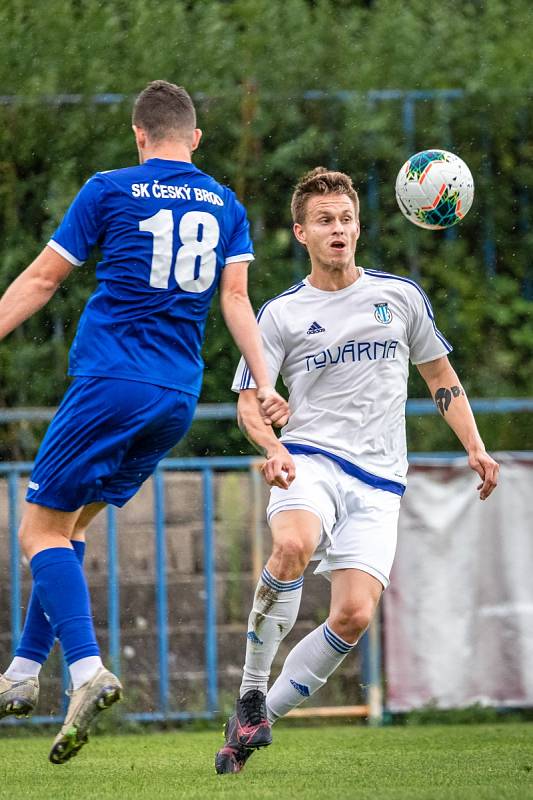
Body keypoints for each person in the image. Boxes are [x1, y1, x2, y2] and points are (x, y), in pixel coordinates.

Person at [0, 80, 289, 764]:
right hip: (174, 398)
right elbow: (238, 301)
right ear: (194, 138)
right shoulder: (225, 204)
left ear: (138, 134)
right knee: (67, 530)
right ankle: (20, 673)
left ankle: (83, 670)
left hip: (110, 382)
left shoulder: (109, 188)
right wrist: (265, 381)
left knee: (36, 528)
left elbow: (43, 280)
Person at [215, 166, 499, 774]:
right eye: (324, 221)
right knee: (292, 543)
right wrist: (274, 447)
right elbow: (248, 405)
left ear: (358, 227)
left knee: (353, 615)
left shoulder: (399, 297)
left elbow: (440, 379)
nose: (338, 229)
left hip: (380, 481)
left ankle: (252, 726)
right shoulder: (282, 314)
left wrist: (474, 446)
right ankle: (250, 690)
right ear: (301, 232)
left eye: (346, 219)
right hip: (310, 460)